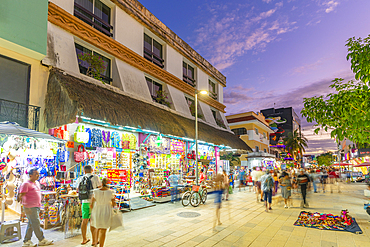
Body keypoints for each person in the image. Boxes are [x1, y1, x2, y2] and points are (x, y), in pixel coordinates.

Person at [18, 168, 54, 247]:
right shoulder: (26, 184)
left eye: (38, 174)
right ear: (30, 175)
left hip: (36, 206)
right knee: (36, 223)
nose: (38, 175)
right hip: (30, 207)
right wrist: (25, 208)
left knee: (31, 224)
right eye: (36, 174)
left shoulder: (37, 183)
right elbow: (21, 196)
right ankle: (41, 239)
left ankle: (26, 241)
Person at [77, 165, 102, 246]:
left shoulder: (80, 178)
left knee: (84, 220)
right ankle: (94, 241)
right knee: (93, 221)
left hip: (84, 202)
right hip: (93, 202)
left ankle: (84, 239)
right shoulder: (95, 177)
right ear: (92, 170)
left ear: (84, 171)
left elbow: (78, 189)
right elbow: (100, 188)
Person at [90, 178, 115, 247]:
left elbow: (91, 204)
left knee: (97, 227)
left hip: (97, 210)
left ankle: (95, 243)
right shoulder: (111, 192)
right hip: (106, 210)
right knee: (103, 230)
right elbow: (113, 204)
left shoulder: (95, 191)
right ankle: (101, 245)